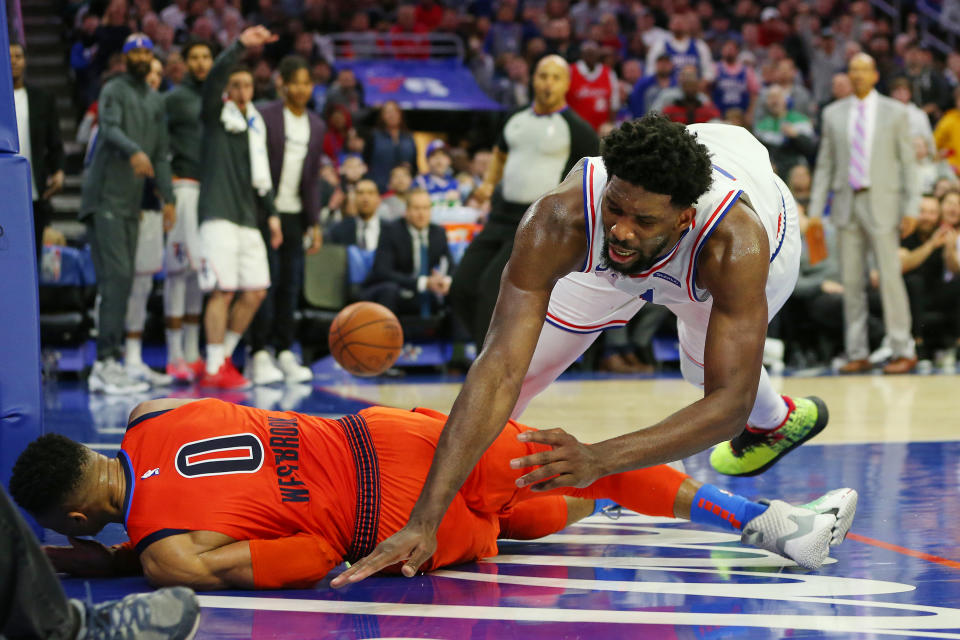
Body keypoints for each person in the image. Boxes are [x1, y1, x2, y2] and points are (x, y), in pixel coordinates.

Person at [336, 114, 833, 583]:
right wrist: (425, 516)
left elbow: (726, 408)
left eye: (640, 219)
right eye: (614, 208)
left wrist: (599, 459)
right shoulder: (563, 216)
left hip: (762, 226)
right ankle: (451, 501)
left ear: (683, 217)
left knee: (702, 368)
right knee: (524, 372)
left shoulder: (737, 243)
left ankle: (774, 422)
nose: (620, 229)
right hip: (683, 185)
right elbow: (500, 368)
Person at [10, 397, 856, 591]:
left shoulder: (168, 554)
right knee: (557, 479)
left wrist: (122, 562)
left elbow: (302, 554)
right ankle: (767, 520)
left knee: (517, 517)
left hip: (395, 523)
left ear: (80, 517)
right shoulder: (154, 418)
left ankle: (776, 525)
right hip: (390, 437)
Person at [450, 55, 599, 347]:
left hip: (536, 222)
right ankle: (494, 351)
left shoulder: (579, 129)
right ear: (533, 79)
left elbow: (589, 181)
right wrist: (488, 184)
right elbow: (500, 154)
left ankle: (489, 365)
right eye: (543, 75)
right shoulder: (514, 118)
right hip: (499, 215)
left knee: (489, 289)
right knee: (461, 287)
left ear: (567, 84)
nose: (548, 83)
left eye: (556, 77)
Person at [809, 53, 920, 375]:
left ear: (874, 75)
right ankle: (857, 350)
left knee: (889, 278)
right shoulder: (832, 114)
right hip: (846, 203)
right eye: (852, 70)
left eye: (863, 70)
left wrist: (912, 206)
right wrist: (815, 211)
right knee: (851, 282)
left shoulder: (895, 112)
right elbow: (825, 164)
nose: (857, 75)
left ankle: (902, 347)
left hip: (883, 202)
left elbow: (908, 164)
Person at [80, 33, 176, 395]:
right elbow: (110, 127)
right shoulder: (114, 89)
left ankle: (111, 361)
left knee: (123, 280)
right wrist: (135, 151)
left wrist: (168, 198)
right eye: (133, 51)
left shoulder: (154, 100)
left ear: (152, 58)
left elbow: (162, 154)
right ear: (124, 57)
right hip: (104, 199)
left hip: (131, 205)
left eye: (145, 51)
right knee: (116, 279)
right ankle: (103, 364)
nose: (140, 56)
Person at [196, 26, 282, 390]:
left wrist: (273, 214)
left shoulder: (253, 126)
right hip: (217, 216)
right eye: (237, 86)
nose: (244, 92)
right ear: (228, 90)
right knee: (223, 291)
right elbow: (215, 77)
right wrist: (238, 47)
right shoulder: (216, 117)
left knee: (256, 291)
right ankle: (214, 364)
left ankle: (224, 357)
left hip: (249, 218)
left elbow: (260, 178)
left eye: (249, 86)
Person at [0, 486, 199, 640]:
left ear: (78, 519)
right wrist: (116, 559)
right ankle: (59, 630)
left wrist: (117, 559)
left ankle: (57, 628)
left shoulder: (171, 562)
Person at [248, 55, 325, 386]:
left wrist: (315, 222)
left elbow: (311, 180)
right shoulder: (265, 116)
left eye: (307, 83)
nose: (302, 89)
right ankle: (258, 352)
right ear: (282, 83)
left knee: (291, 286)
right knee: (267, 283)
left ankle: (283, 350)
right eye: (296, 82)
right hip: (264, 214)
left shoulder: (317, 125)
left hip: (295, 215)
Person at [163, 39, 214, 382]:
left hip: (211, 193)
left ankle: (193, 353)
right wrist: (166, 190)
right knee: (178, 271)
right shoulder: (173, 99)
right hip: (182, 189)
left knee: (199, 272)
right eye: (193, 57)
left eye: (205, 56)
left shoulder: (218, 97)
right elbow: (157, 146)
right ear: (183, 63)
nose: (199, 62)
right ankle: (173, 355)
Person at [123, 58, 175, 388]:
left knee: (143, 284)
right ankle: (116, 358)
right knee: (119, 285)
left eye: (159, 75)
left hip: (151, 208)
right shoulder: (120, 114)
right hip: (123, 209)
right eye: (150, 74)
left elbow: (162, 164)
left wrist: (166, 200)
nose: (154, 80)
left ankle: (133, 357)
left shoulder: (159, 120)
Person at [9, 41, 65, 258]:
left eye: (18, 56)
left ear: (25, 61)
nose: (13, 61)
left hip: (34, 192)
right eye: (9, 56)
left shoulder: (42, 99)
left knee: (32, 256)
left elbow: (55, 143)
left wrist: (59, 171)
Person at [362, 188, 453, 317]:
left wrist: (445, 281)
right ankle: (386, 335)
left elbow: (451, 265)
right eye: (416, 208)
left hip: (427, 292)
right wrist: (423, 283)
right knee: (390, 291)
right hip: (397, 289)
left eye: (426, 208)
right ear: (407, 211)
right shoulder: (391, 231)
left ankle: (462, 337)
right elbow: (382, 271)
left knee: (457, 289)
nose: (421, 214)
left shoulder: (438, 233)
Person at [901, 195, 960, 361]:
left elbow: (954, 270)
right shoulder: (905, 234)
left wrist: (950, 249)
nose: (927, 217)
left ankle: (958, 347)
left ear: (938, 216)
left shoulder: (943, 234)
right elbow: (904, 264)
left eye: (932, 213)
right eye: (922, 212)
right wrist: (931, 245)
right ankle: (918, 345)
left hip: (935, 292)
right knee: (915, 282)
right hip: (907, 294)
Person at [753, 85, 817, 178]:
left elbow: (810, 149)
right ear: (766, 102)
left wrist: (796, 136)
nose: (774, 101)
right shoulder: (761, 126)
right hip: (773, 168)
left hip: (796, 165)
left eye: (777, 97)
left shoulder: (800, 120)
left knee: (799, 172)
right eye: (771, 98)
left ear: (786, 100)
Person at [364, 101, 418, 193]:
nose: (391, 115)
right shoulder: (373, 136)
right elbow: (366, 162)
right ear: (382, 116)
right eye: (387, 112)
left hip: (405, 190)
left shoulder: (409, 137)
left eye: (394, 112)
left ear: (400, 115)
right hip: (379, 189)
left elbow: (414, 165)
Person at [566, 40, 620, 132]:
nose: (590, 56)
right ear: (581, 54)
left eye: (593, 53)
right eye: (587, 53)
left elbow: (614, 103)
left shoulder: (608, 73)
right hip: (576, 129)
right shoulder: (570, 71)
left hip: (602, 130)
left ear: (598, 55)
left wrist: (610, 125)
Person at [325, 179, 383, 249]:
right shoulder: (338, 230)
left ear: (378, 199)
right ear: (354, 198)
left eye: (370, 193)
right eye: (360, 193)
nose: (365, 198)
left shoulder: (390, 231)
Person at [654, 65, 722, 125]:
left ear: (697, 82)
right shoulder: (667, 95)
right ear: (680, 78)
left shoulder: (702, 98)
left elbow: (715, 116)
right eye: (686, 75)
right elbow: (655, 115)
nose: (689, 78)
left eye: (692, 75)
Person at [414, 140, 460, 208]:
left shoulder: (454, 182)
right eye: (434, 155)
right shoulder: (419, 181)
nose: (439, 159)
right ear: (427, 160)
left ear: (449, 160)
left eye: (443, 155)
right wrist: (443, 197)